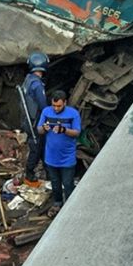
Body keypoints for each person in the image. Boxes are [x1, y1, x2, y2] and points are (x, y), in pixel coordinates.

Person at [36, 90, 81, 218]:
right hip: (51, 157)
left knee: (67, 183)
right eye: (54, 105)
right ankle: (57, 203)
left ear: (65, 103)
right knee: (55, 183)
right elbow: (39, 130)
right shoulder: (46, 112)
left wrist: (64, 130)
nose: (56, 108)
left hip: (67, 157)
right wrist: (43, 128)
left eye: (59, 106)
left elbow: (77, 132)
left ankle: (70, 206)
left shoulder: (73, 114)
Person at [21, 52, 49, 183]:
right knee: (36, 148)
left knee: (41, 145)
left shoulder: (28, 79)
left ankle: (48, 170)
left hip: (28, 120)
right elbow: (43, 105)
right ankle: (29, 173)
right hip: (35, 121)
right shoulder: (37, 85)